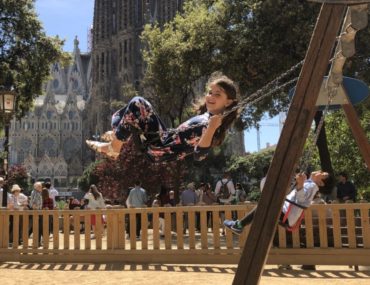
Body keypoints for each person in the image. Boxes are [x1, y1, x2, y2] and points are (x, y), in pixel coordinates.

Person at [86, 74, 239, 161]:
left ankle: (114, 146)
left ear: (229, 102)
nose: (211, 96)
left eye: (217, 94)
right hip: (163, 137)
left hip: (161, 148)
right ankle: (117, 136)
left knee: (138, 103)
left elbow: (199, 155)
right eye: (210, 92)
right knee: (123, 113)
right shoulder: (207, 116)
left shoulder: (213, 124)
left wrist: (212, 128)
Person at [224, 171, 333, 235]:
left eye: (323, 174)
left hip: (286, 214)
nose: (320, 172)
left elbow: (301, 199)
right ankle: (239, 224)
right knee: (263, 205)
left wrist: (300, 184)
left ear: (321, 183)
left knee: (264, 204)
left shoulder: (312, 186)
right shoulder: (310, 184)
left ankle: (239, 225)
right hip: (286, 214)